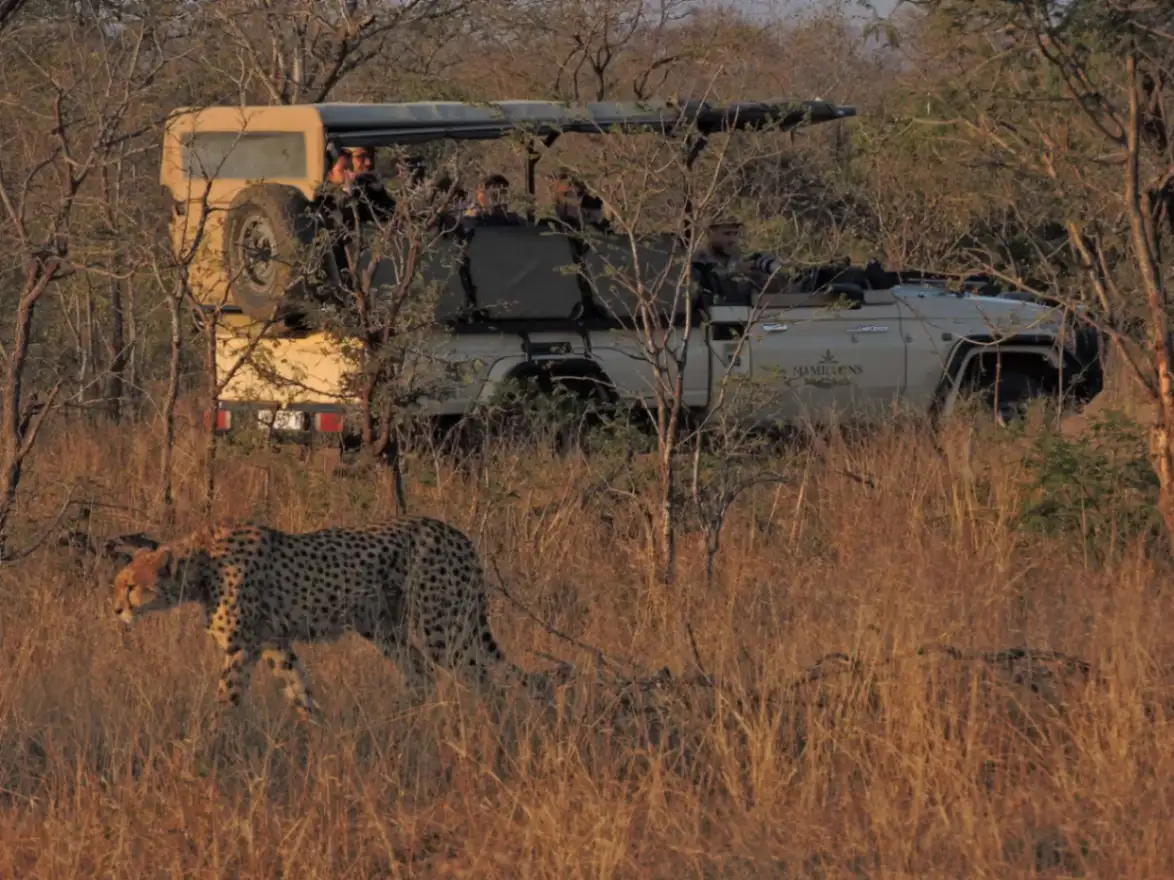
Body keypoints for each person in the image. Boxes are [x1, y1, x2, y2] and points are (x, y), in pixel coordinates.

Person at [458, 173, 524, 236]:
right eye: (496, 193)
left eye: (503, 193)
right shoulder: (472, 217)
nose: (501, 199)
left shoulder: (509, 218)